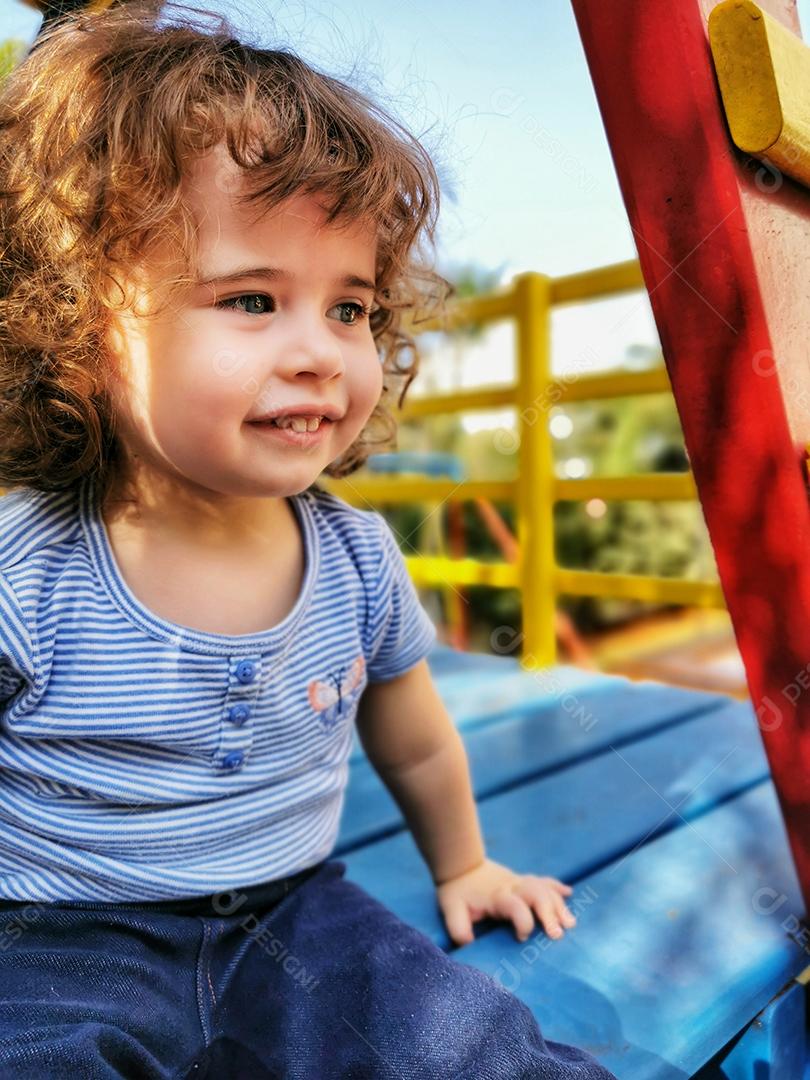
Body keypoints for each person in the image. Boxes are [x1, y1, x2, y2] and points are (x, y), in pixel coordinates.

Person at [0, 3, 618, 1077]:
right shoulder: (30, 567)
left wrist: (464, 865)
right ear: (77, 328)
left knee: (474, 1045)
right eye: (250, 299)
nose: (323, 354)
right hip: (55, 937)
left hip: (294, 921)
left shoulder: (353, 557)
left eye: (351, 310)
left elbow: (415, 733)